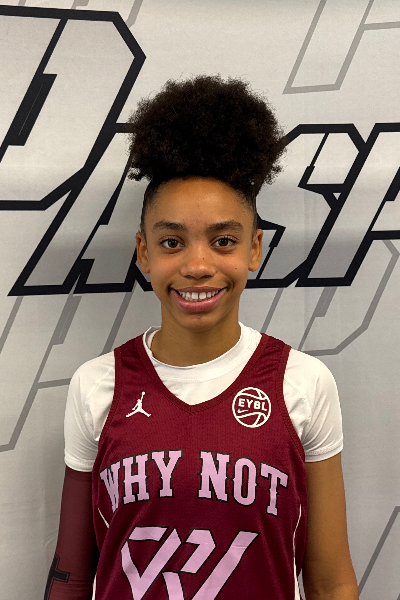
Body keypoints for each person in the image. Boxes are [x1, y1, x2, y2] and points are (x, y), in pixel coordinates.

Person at [45, 75, 359, 600]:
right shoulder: (97, 385)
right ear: (144, 253)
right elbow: (73, 575)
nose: (197, 265)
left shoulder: (304, 383)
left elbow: (331, 582)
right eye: (172, 242)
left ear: (254, 249)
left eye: (223, 240)